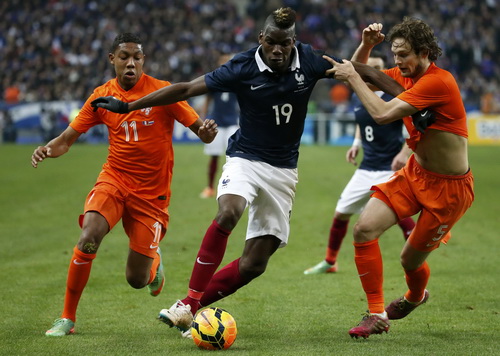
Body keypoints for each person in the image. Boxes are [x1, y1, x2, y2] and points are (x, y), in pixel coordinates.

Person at [91, 7, 370, 336]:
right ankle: (188, 304)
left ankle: (191, 306)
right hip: (245, 158)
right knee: (229, 211)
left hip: (283, 171)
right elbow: (184, 89)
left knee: (255, 264)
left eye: (285, 44)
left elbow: (358, 71)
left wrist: (408, 97)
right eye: (272, 44)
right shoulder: (242, 66)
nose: (278, 51)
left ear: (293, 42)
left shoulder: (310, 60)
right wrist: (128, 105)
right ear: (261, 39)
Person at [31, 33, 217, 337]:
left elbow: (200, 130)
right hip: (114, 181)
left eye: (137, 57)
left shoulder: (163, 92)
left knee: (136, 279)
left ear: (143, 60)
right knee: (89, 235)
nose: (131, 63)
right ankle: (67, 318)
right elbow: (67, 139)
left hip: (151, 197)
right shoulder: (101, 96)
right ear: (112, 60)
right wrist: (47, 149)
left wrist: (207, 131)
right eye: (124, 57)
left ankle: (154, 264)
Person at [325, 19, 474, 338]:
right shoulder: (406, 75)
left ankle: (415, 296)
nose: (397, 64)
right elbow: (359, 70)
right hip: (415, 174)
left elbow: (380, 113)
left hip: (449, 190)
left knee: (409, 261)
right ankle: (376, 314)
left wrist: (353, 76)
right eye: (394, 57)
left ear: (423, 53)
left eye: (403, 55)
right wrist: (366, 45)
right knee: (364, 229)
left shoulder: (439, 82)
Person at [304, 52, 415, 275]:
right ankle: (330, 262)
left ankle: (415, 263)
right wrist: (356, 143)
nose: (370, 73)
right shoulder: (359, 95)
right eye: (367, 68)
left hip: (389, 169)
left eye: (376, 68)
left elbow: (415, 128)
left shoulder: (395, 96)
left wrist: (403, 153)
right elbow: (361, 121)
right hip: (366, 168)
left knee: (400, 217)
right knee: (341, 213)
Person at [199, 53, 240, 199]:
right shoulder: (214, 81)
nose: (225, 64)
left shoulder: (237, 81)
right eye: (223, 61)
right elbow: (207, 100)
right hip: (217, 122)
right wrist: (203, 118)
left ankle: (234, 188)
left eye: (227, 61)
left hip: (232, 122)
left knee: (235, 157)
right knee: (214, 156)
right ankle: (210, 187)